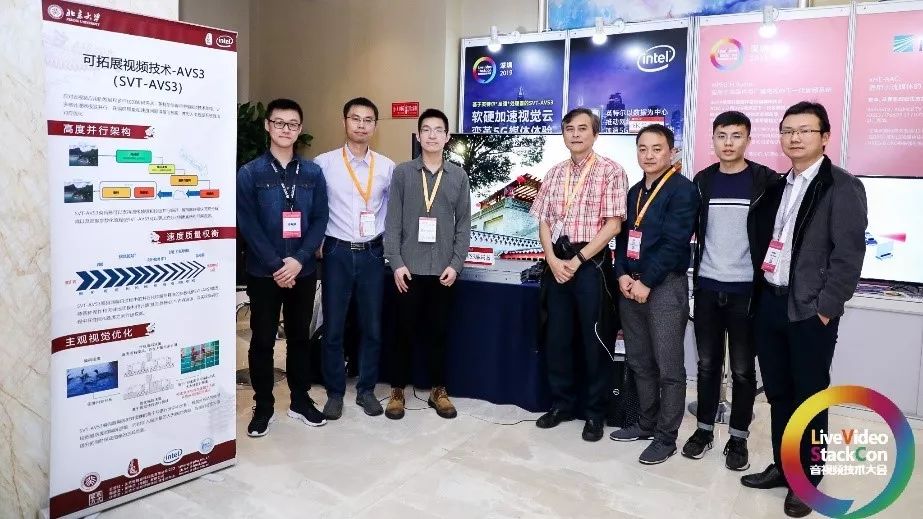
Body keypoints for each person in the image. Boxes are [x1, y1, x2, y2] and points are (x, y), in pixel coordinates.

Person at [742, 101, 867, 518]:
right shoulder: (779, 185)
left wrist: (826, 308)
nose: (794, 138)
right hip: (771, 303)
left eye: (805, 130)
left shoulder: (841, 186)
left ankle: (808, 482)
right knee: (779, 393)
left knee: (809, 398)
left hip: (809, 311)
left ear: (825, 136)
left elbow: (849, 256)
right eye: (787, 131)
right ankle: (783, 466)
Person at [682, 111, 780, 470]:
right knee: (707, 366)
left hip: (746, 291)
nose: (728, 143)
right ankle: (703, 431)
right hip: (708, 286)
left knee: (742, 371)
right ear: (713, 140)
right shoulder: (703, 181)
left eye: (736, 136)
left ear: (748, 140)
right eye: (721, 136)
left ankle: (738, 438)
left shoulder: (765, 181)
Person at [530, 107, 628, 442]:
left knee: (594, 340)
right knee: (557, 338)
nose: (575, 134)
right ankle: (562, 404)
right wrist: (551, 259)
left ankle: (595, 413)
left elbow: (613, 225)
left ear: (595, 134)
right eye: (569, 128)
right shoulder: (554, 172)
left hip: (591, 266)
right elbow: (544, 220)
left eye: (582, 128)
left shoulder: (611, 171)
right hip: (557, 263)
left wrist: (578, 261)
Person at [237, 98, 329, 436]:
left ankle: (300, 401)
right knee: (262, 340)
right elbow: (247, 223)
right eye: (279, 122)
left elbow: (320, 219)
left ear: (300, 129)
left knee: (299, 338)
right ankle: (263, 406)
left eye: (292, 124)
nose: (285, 129)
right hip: (265, 272)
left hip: (302, 271)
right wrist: (278, 265)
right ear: (267, 125)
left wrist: (299, 259)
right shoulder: (250, 173)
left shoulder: (313, 173)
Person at [611, 124, 699, 464]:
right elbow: (623, 238)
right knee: (639, 361)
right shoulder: (634, 192)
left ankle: (666, 437)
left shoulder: (683, 190)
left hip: (663, 288)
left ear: (671, 151)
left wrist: (646, 281)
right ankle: (646, 423)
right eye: (643, 148)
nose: (649, 155)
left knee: (668, 367)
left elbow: (675, 242)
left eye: (657, 148)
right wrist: (621, 274)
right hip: (631, 286)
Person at [383, 108, 471, 420]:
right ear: (419, 136)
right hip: (407, 271)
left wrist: (456, 264)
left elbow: (464, 225)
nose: (432, 135)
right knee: (402, 334)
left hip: (443, 272)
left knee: (439, 334)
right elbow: (392, 222)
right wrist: (396, 263)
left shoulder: (458, 177)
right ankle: (397, 391)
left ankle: (438, 390)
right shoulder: (403, 173)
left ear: (447, 137)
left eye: (438, 130)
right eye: (426, 130)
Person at [314, 98, 395, 419]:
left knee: (372, 327)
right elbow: (315, 207)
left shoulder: (387, 167)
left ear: (375, 125)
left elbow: (393, 211)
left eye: (368, 120)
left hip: (372, 253)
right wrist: (317, 242)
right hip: (336, 252)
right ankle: (335, 393)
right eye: (355, 118)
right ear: (344, 122)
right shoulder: (324, 164)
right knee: (333, 327)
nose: (361, 125)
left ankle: (366, 390)